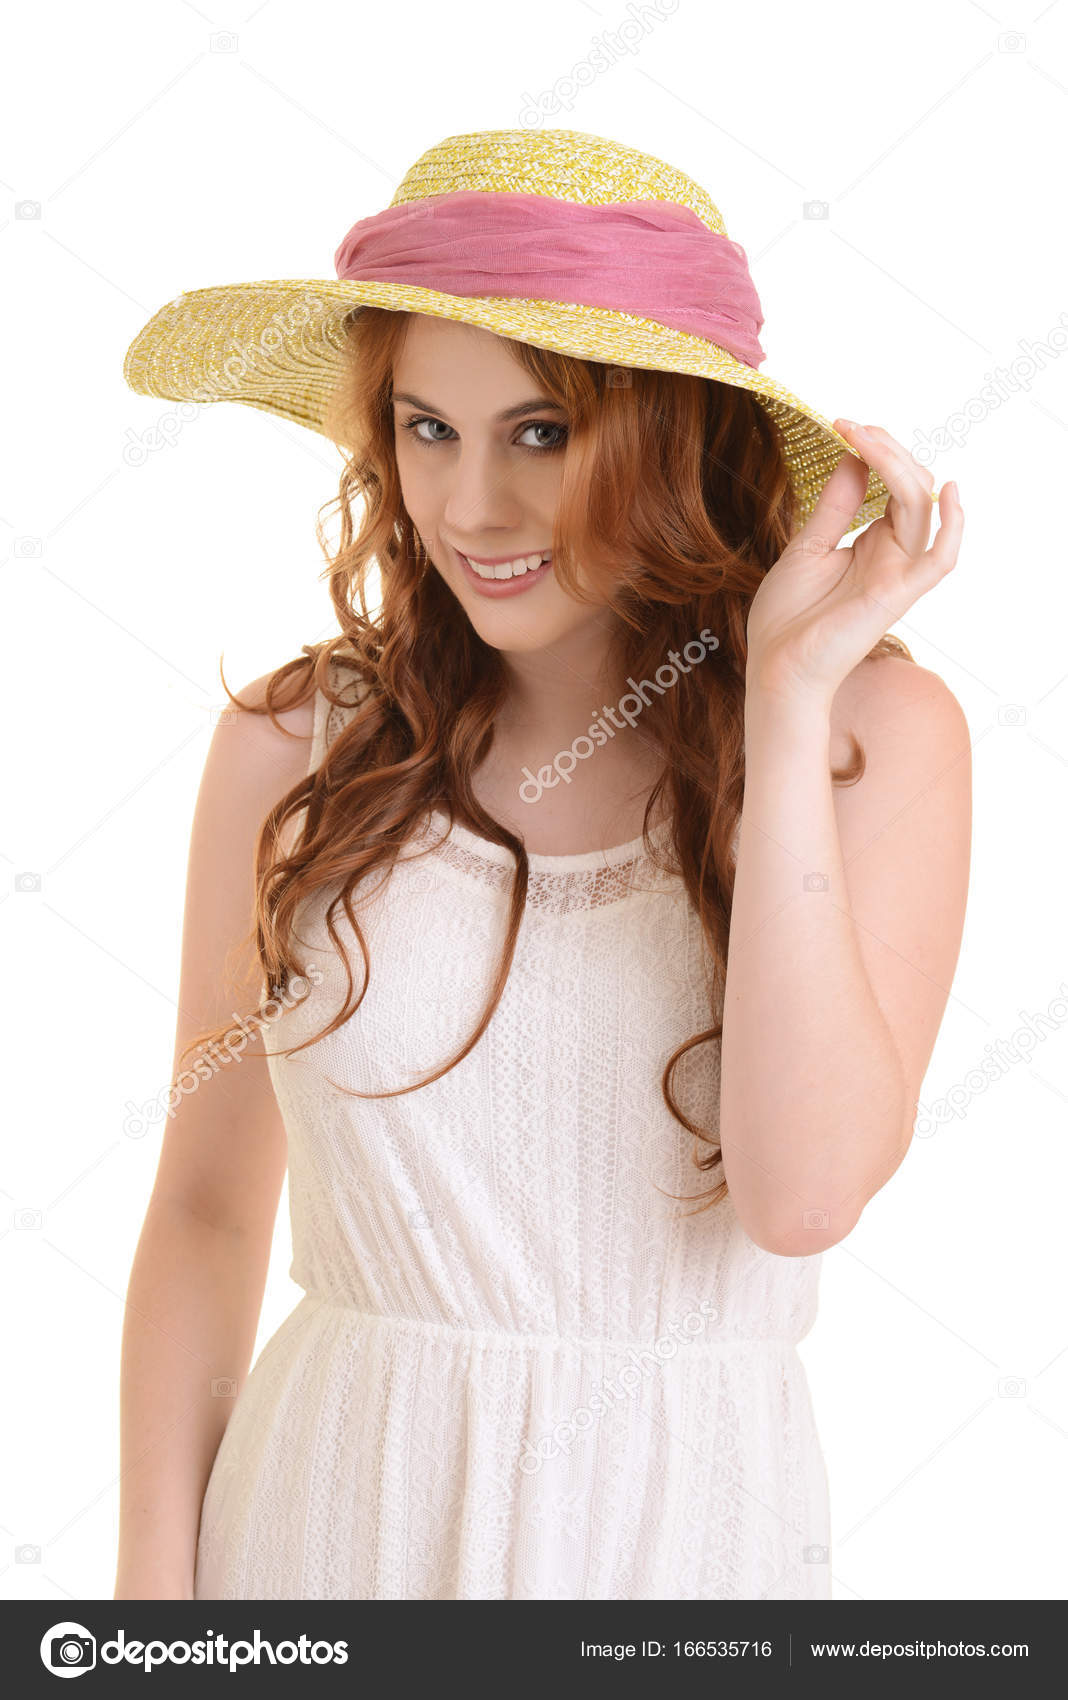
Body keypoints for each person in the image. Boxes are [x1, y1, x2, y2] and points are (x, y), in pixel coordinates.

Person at [114, 127, 970, 1601]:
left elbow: (804, 1196)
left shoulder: (869, 736)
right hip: (323, 1538)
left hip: (684, 1556)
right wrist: (149, 1598)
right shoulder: (294, 748)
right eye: (426, 427)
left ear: (678, 433)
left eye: (541, 432)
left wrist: (782, 694)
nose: (469, 509)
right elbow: (204, 1204)